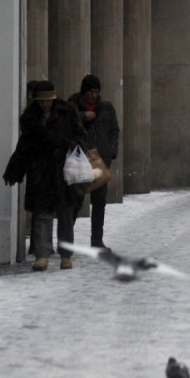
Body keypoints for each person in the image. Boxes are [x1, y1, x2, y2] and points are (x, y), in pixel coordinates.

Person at [3, 80, 86, 271]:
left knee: (65, 214)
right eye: (42, 101)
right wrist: (15, 169)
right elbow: (24, 146)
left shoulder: (67, 112)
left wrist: (71, 143)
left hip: (64, 169)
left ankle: (66, 255)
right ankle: (42, 255)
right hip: (41, 170)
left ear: (54, 98)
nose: (45, 104)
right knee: (42, 214)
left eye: (48, 100)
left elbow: (81, 134)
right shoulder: (30, 118)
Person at [67, 74, 120, 249]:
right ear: (84, 91)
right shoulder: (72, 105)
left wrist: (111, 152)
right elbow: (65, 125)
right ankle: (66, 240)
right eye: (91, 91)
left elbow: (114, 130)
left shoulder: (106, 107)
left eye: (97, 91)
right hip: (80, 159)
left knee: (99, 202)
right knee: (75, 201)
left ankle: (97, 240)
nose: (94, 95)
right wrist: (83, 116)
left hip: (100, 160)